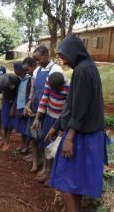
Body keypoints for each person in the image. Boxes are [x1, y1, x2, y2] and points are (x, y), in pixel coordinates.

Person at [48, 34, 107, 212]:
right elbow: (71, 103)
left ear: (73, 53)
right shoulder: (89, 67)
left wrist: (69, 137)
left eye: (64, 56)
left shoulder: (82, 71)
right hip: (90, 135)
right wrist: (57, 125)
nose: (63, 62)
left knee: (65, 181)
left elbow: (80, 109)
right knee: (76, 182)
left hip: (81, 136)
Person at [24, 46, 63, 172]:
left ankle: (46, 168)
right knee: (34, 138)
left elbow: (55, 93)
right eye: (35, 60)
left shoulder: (56, 69)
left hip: (48, 111)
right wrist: (28, 104)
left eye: (38, 59)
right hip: (35, 108)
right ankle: (35, 163)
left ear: (46, 54)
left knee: (46, 140)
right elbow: (33, 90)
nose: (37, 62)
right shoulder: (36, 71)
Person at [31, 72, 70, 186]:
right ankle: (46, 170)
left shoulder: (69, 86)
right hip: (49, 116)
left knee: (56, 147)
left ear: (61, 85)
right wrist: (38, 118)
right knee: (47, 144)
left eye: (56, 88)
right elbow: (44, 99)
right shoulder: (49, 82)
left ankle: (53, 174)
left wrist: (63, 125)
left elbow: (68, 108)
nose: (54, 90)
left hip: (61, 120)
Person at [0, 73, 20, 151]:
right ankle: (3, 140)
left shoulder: (14, 80)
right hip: (6, 101)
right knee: (4, 123)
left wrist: (13, 107)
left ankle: (7, 142)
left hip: (15, 102)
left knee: (10, 123)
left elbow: (18, 95)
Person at [13, 62, 32, 154]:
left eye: (17, 71)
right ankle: (23, 143)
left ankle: (27, 146)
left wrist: (28, 106)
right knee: (21, 128)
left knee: (26, 128)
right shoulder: (18, 80)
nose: (16, 73)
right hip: (19, 106)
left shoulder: (29, 80)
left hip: (26, 106)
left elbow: (30, 94)